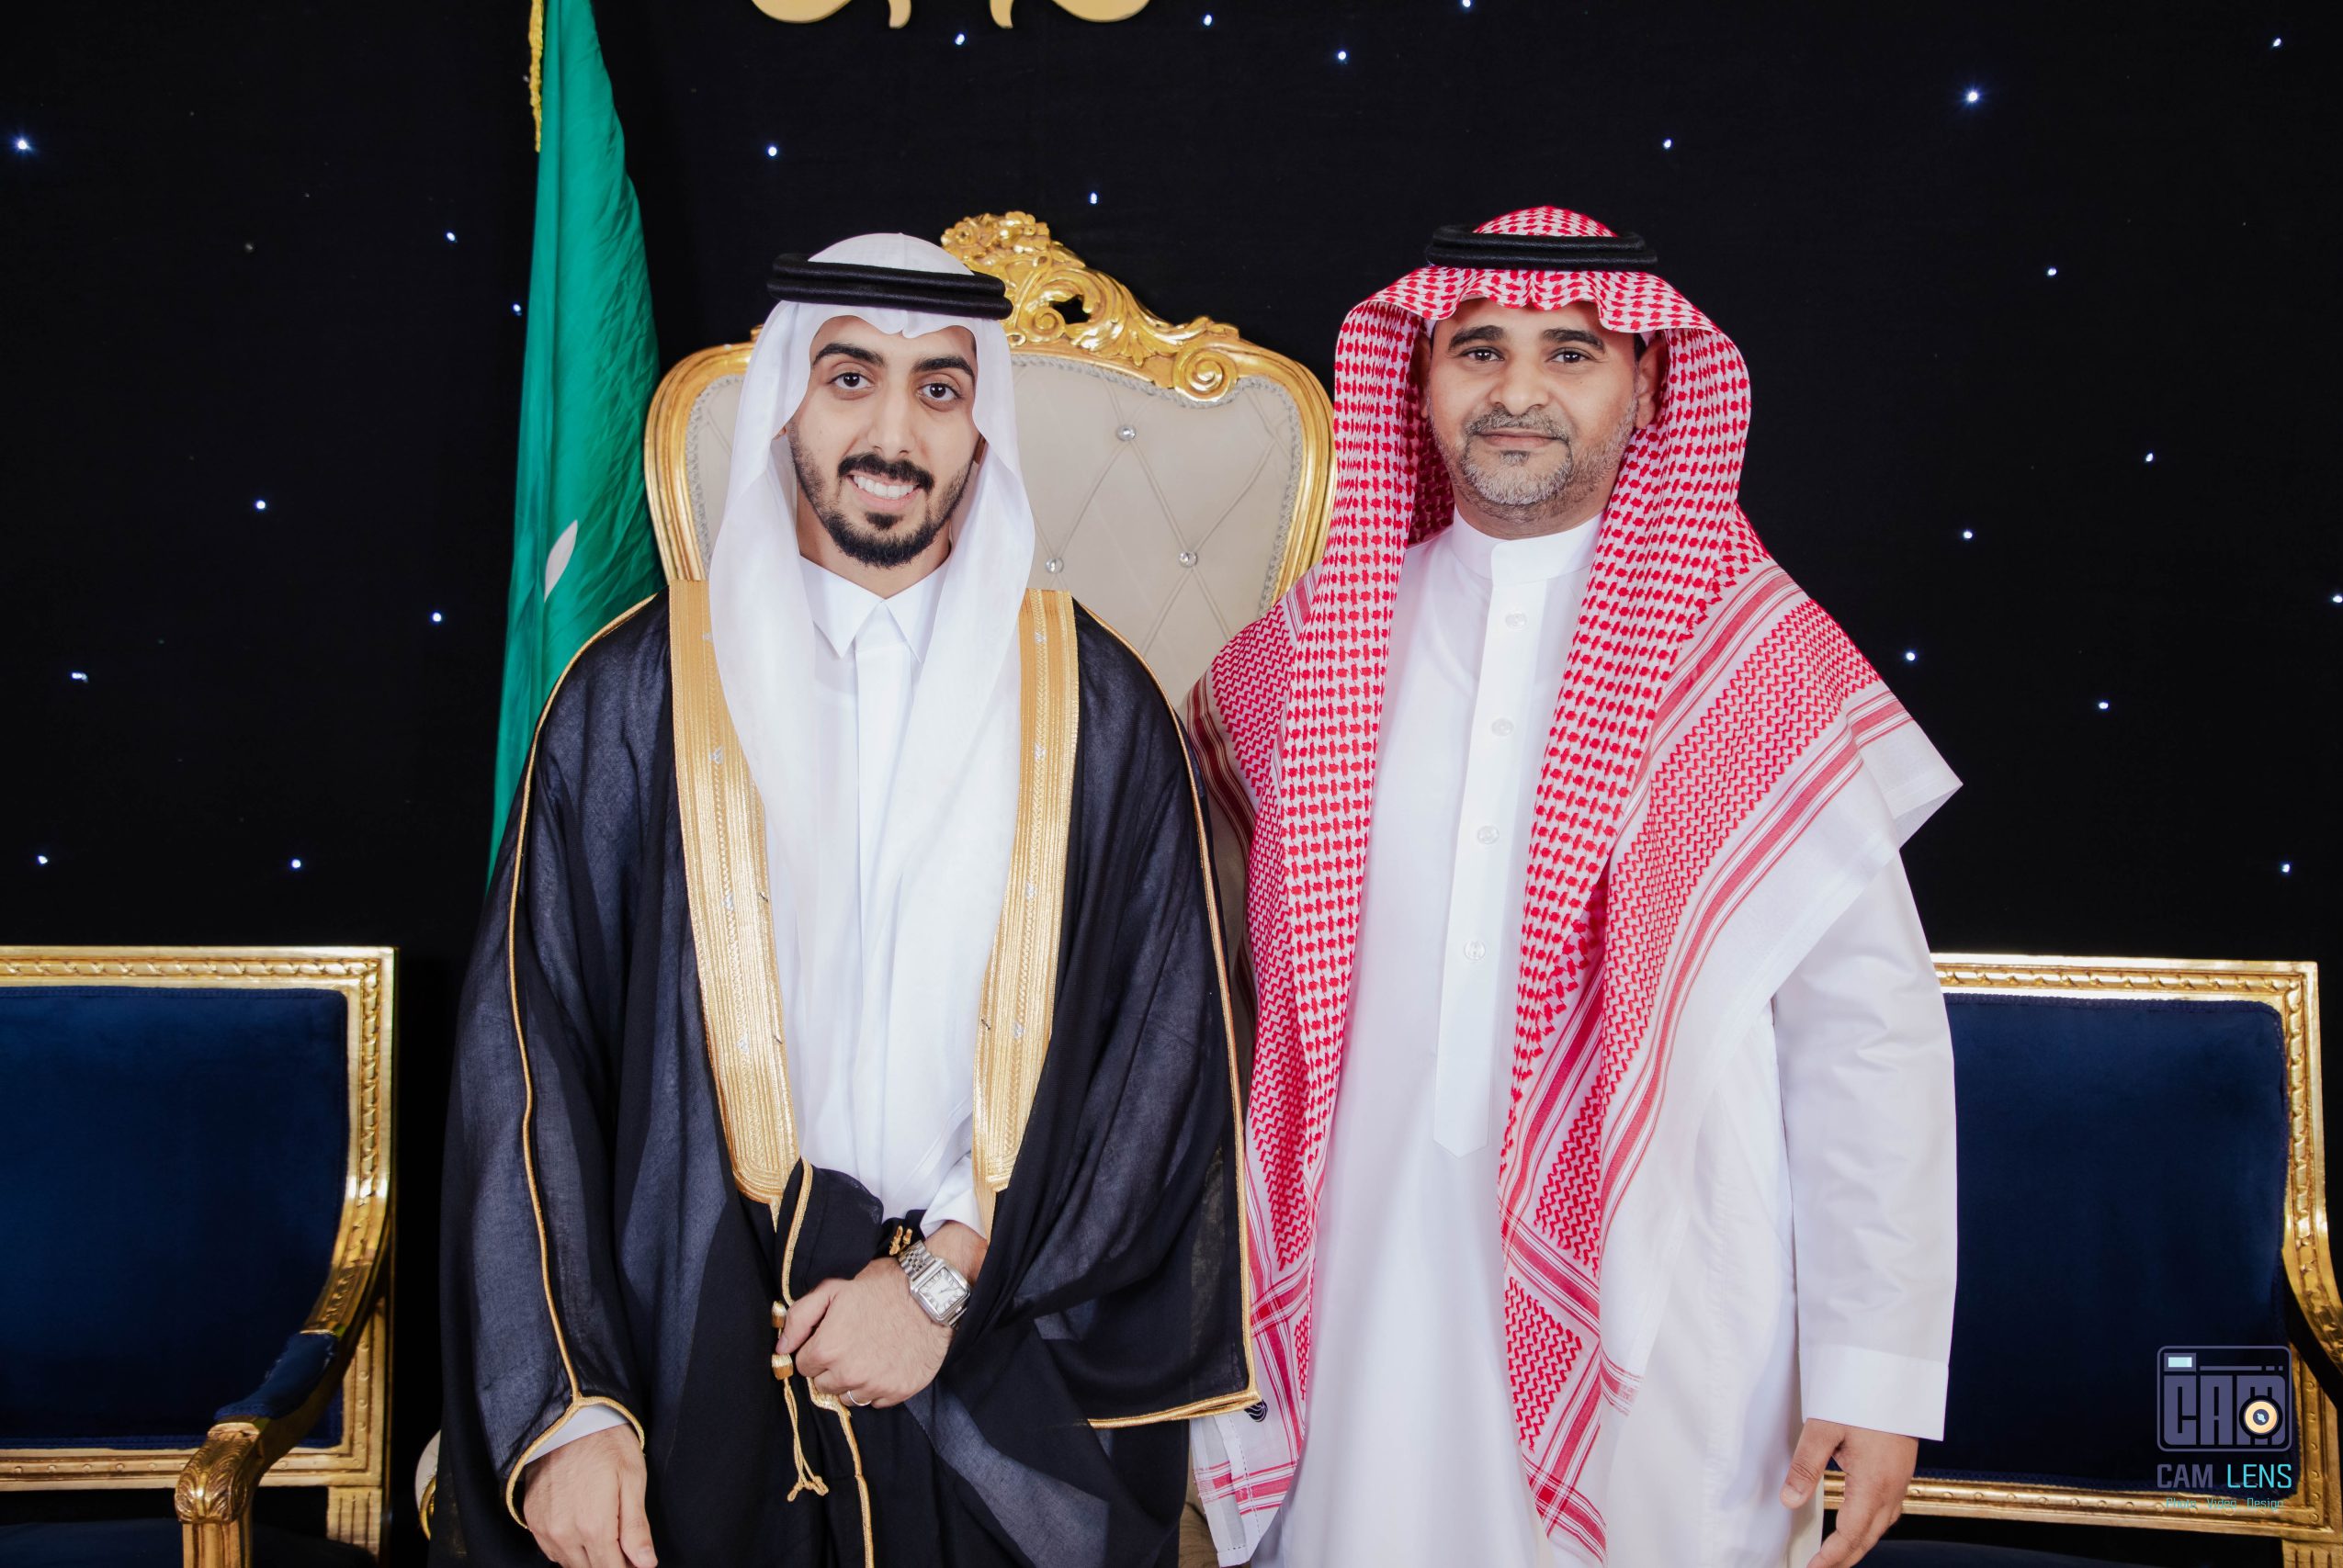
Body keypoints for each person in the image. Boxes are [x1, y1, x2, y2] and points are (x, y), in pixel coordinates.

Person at [434, 232, 1253, 1568]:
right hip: (688, 1359)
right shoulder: (637, 696)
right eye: (851, 376)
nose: (894, 431)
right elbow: (527, 1060)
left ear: (981, 427)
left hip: (1000, 1351)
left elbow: (1163, 1066)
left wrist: (938, 1285)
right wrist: (570, 1406)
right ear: (786, 403)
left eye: (940, 388)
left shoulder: (1095, 708)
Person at [1184, 209, 1958, 1568]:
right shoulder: (1300, 657)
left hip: (1662, 1293)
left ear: (1649, 387)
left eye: (1572, 353)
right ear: (1420, 378)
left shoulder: (1750, 664)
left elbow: (1867, 1032)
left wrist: (1875, 1366)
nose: (1519, 391)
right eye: (1479, 350)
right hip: (1361, 1282)